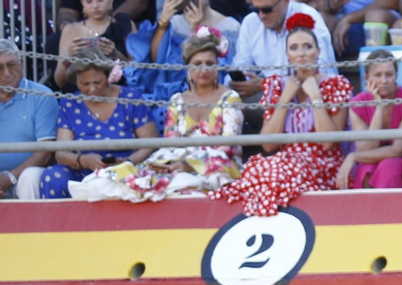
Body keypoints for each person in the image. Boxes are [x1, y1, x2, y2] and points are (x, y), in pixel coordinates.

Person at [73, 30, 245, 201]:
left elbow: (227, 148)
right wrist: (169, 164)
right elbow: (170, 144)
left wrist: (190, 165)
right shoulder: (177, 100)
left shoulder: (230, 97)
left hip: (218, 166)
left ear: (218, 65)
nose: (203, 69)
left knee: (181, 182)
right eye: (197, 63)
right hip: (178, 162)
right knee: (135, 176)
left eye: (209, 63)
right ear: (187, 66)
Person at [215, 13, 350, 214]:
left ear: (318, 52)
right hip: (284, 164)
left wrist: (315, 97)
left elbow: (328, 142)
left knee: (274, 172)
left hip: (323, 166)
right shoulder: (277, 86)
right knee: (258, 168)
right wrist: (284, 100)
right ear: (287, 55)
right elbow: (269, 144)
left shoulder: (336, 84)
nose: (302, 53)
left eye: (307, 46)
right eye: (294, 48)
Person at [38, 55, 158, 200]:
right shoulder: (70, 104)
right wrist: (82, 160)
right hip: (84, 170)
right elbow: (61, 153)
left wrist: (128, 161)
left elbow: (150, 143)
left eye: (97, 82)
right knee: (52, 177)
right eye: (85, 84)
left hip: (126, 169)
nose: (92, 88)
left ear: (107, 76)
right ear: (76, 81)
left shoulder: (130, 97)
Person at [337, 49, 402, 189]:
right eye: (377, 75)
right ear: (366, 77)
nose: (384, 81)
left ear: (396, 76)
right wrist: (379, 109)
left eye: (389, 74)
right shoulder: (358, 103)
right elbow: (365, 148)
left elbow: (398, 150)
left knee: (389, 167)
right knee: (365, 170)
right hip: (372, 159)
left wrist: (353, 156)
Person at [231, 0, 336, 99]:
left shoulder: (307, 16)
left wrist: (267, 83)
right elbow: (241, 65)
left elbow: (318, 72)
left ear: (286, 1)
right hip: (269, 96)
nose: (261, 15)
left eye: (267, 9)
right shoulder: (251, 22)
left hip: (313, 95)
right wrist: (239, 83)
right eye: (256, 9)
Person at [148, 0, 243, 101]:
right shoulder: (174, 23)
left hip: (219, 95)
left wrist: (197, 30)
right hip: (177, 94)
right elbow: (156, 60)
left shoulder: (232, 26)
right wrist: (163, 21)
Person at [0, 39, 59, 201]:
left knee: (30, 176)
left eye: (11, 65)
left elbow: (45, 151)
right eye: (0, 67)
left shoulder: (42, 96)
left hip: (25, 175)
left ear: (21, 63)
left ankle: (35, 226)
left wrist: (10, 177)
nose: (6, 73)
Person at [49, 0, 132, 91]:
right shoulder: (71, 30)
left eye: (100, 1)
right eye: (89, 2)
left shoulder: (125, 24)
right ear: (82, 3)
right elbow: (59, 81)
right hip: (81, 95)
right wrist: (68, 57)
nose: (95, 6)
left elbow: (139, 72)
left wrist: (116, 55)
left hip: (118, 93)